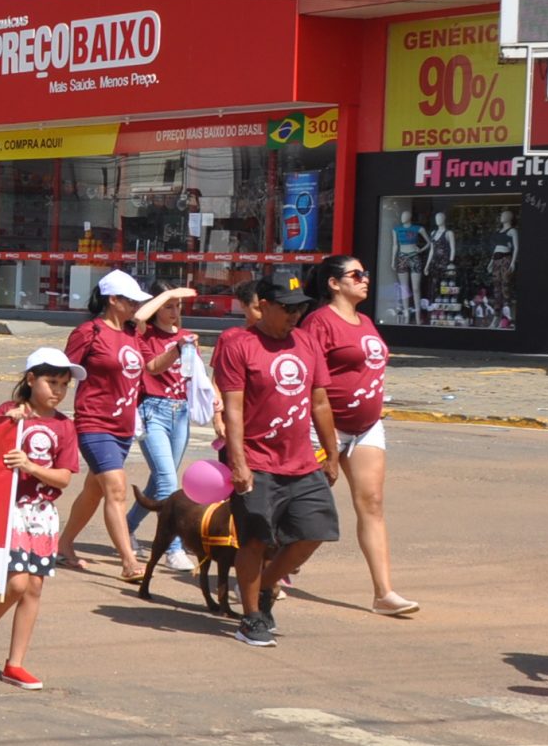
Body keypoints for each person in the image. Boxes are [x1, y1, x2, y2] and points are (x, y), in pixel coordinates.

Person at [215, 275, 341, 648]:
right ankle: (251, 618)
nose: (295, 315)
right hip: (257, 459)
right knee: (254, 540)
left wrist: (332, 453)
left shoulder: (307, 342)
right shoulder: (238, 344)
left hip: (301, 460)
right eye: (287, 308)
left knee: (316, 531)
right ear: (264, 306)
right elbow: (233, 409)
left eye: (300, 308)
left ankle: (265, 585)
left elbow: (320, 401)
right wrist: (239, 463)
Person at [57, 270, 194, 582]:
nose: (136, 306)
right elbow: (61, 372)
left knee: (94, 490)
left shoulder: (134, 333)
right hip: (94, 422)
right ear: (112, 300)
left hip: (124, 426)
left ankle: (64, 545)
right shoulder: (89, 332)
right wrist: (39, 409)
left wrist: (176, 349)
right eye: (130, 300)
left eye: (137, 301)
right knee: (116, 488)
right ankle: (129, 561)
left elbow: (151, 366)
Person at [299, 253, 416, 616]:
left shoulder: (365, 321)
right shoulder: (318, 322)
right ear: (334, 283)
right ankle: (268, 568)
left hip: (366, 427)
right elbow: (306, 376)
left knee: (372, 504)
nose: (365, 279)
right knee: (301, 503)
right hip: (323, 428)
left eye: (365, 273)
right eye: (356, 274)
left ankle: (384, 593)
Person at [0, 348, 81, 690]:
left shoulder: (65, 425)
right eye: (51, 382)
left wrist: (31, 466)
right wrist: (11, 419)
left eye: (64, 384)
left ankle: (15, 663)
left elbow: (64, 477)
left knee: (33, 588)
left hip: (43, 513)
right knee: (16, 583)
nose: (58, 391)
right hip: (10, 507)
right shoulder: (11, 413)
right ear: (31, 379)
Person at [124, 281, 199, 569]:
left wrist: (212, 399)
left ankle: (127, 526)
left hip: (181, 412)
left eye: (178, 306)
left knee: (159, 481)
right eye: (168, 306)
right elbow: (153, 367)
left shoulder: (185, 335)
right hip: (152, 410)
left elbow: (194, 374)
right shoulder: (144, 333)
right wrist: (167, 294)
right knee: (168, 480)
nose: (174, 311)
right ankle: (173, 547)